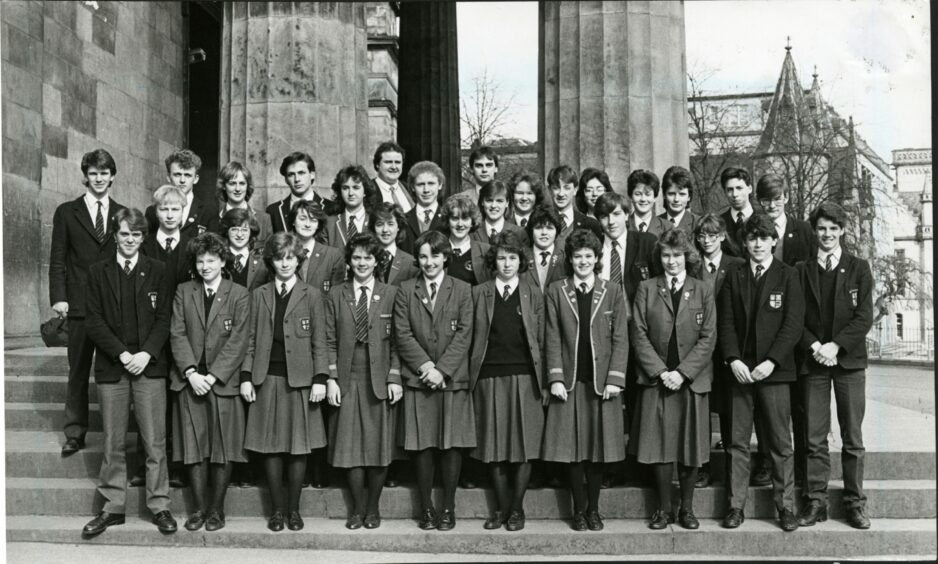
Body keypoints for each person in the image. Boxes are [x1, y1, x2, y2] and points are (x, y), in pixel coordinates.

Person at [81, 208, 177, 537]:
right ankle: (113, 506)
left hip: (148, 366)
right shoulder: (97, 272)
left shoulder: (159, 270)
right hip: (113, 365)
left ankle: (159, 503)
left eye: (137, 235)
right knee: (114, 441)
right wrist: (122, 353)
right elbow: (93, 320)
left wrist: (146, 352)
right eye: (125, 234)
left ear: (143, 237)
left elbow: (165, 318)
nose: (131, 240)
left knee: (154, 441)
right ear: (115, 235)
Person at [718, 213, 805, 532]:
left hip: (775, 373)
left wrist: (771, 361)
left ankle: (785, 507)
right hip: (740, 373)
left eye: (763, 238)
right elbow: (725, 323)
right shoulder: (734, 274)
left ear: (773, 241)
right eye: (752, 238)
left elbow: (793, 324)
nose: (757, 244)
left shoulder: (788, 275)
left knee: (781, 443)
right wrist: (733, 359)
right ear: (745, 242)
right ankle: (735, 506)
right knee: (738, 443)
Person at [240, 232, 329, 532]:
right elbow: (249, 340)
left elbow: (321, 340)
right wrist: (246, 378)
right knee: (271, 447)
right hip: (267, 379)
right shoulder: (259, 295)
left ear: (298, 260)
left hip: (301, 382)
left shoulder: (312, 295)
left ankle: (294, 509)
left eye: (290, 258)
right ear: (271, 261)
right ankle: (277, 510)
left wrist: (320, 379)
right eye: (279, 258)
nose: (285, 263)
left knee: (298, 448)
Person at [629, 228, 716, 530]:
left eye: (677, 255)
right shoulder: (647, 288)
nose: (671, 261)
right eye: (666, 255)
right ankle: (663, 509)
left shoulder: (702, 289)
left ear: (687, 256)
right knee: (661, 447)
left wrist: (682, 373)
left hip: (691, 382)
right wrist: (660, 371)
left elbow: (708, 337)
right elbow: (638, 333)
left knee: (690, 447)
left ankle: (687, 510)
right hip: (658, 380)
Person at [543, 229, 629, 532]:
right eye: (577, 256)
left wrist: (615, 379)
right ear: (570, 258)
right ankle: (577, 510)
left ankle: (594, 509)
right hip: (569, 382)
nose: (582, 261)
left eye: (588, 256)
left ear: (597, 260)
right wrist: (555, 377)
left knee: (597, 450)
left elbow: (621, 339)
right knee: (572, 450)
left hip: (601, 383)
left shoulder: (613, 291)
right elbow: (550, 337)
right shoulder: (556, 290)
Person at [796, 203, 873, 530]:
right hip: (814, 363)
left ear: (842, 230)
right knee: (814, 437)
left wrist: (836, 345)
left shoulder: (859, 268)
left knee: (852, 436)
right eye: (821, 229)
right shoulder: (801, 270)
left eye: (833, 228)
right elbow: (794, 318)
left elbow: (863, 318)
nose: (827, 235)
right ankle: (816, 501)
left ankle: (855, 503)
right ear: (815, 232)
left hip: (849, 363)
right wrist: (816, 346)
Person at [394, 230, 475, 531]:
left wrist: (442, 370)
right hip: (419, 380)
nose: (429, 262)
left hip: (451, 380)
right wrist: (426, 366)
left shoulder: (462, 289)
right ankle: (427, 508)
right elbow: (402, 334)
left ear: (445, 257)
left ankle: (448, 507)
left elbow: (465, 333)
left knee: (450, 445)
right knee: (423, 445)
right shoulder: (405, 289)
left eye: (435, 255)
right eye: (424, 256)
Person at [169, 232, 250, 532]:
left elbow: (239, 340)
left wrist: (213, 375)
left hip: (222, 383)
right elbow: (176, 333)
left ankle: (217, 509)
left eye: (211, 260)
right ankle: (198, 509)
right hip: (190, 381)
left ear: (223, 261)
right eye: (200, 261)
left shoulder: (239, 294)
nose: (205, 266)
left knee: (222, 448)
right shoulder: (183, 291)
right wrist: (191, 372)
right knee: (194, 448)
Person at [324, 233, 403, 530]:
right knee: (350, 445)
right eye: (356, 257)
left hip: (379, 378)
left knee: (378, 445)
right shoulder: (335, 294)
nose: (362, 263)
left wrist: (395, 377)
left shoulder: (392, 293)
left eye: (368, 258)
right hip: (347, 376)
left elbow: (399, 340)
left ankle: (373, 508)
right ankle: (356, 508)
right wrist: (331, 377)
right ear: (349, 260)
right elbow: (328, 339)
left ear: (376, 261)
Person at [50, 148, 126, 456]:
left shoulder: (121, 212)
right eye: (93, 173)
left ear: (112, 176)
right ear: (86, 176)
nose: (99, 178)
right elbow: (57, 259)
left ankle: (113, 433)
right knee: (78, 370)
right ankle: (75, 431)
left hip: (110, 305)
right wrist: (59, 298)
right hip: (78, 305)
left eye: (104, 173)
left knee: (110, 371)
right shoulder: (67, 212)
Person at [469, 231, 545, 532]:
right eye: (501, 258)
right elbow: (472, 337)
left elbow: (542, 338)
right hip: (489, 377)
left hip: (525, 377)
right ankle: (500, 508)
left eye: (512, 257)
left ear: (521, 261)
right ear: (493, 261)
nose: (507, 263)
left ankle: (517, 509)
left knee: (523, 447)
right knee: (494, 447)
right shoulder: (480, 293)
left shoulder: (533, 293)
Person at [755, 172, 817, 488]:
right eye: (765, 200)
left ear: (787, 199)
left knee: (801, 406)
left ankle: (804, 467)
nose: (770, 205)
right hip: (765, 331)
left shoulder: (804, 232)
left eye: (776, 199)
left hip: (798, 329)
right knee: (768, 406)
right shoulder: (754, 230)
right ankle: (767, 460)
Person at [137, 184, 195, 488]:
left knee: (179, 400)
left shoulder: (192, 245)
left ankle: (179, 465)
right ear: (155, 212)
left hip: (183, 332)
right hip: (151, 333)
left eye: (175, 209)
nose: (170, 215)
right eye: (164, 209)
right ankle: (141, 465)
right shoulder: (145, 245)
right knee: (148, 400)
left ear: (183, 211)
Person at [690, 214, 746, 488]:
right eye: (702, 236)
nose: (707, 241)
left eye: (712, 236)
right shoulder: (691, 266)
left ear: (722, 236)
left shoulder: (737, 266)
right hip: (699, 348)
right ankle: (702, 467)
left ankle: (730, 467)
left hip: (727, 348)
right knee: (701, 411)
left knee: (728, 411)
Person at [146, 149, 218, 238]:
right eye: (177, 175)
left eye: (187, 175)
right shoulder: (152, 211)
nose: (182, 180)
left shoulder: (208, 211)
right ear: (168, 177)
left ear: (196, 179)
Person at [267, 152, 335, 233]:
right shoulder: (274, 211)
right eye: (291, 174)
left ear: (312, 174)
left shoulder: (331, 208)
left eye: (301, 173)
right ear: (286, 179)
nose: (297, 179)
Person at [289, 200, 346, 297]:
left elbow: (336, 297)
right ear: (293, 221)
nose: (307, 224)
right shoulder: (283, 253)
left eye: (313, 220)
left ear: (319, 224)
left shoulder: (333, 255)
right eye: (302, 219)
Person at [216, 161, 273, 249]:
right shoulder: (214, 220)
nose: (238, 189)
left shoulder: (264, 219)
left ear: (247, 186)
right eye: (232, 183)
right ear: (224, 186)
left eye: (242, 183)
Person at [323, 165, 381, 252]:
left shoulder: (376, 221)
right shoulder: (329, 224)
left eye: (356, 188)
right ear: (340, 191)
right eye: (345, 188)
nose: (350, 193)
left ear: (365, 191)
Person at [440, 193, 492, 287]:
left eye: (465, 218)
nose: (460, 224)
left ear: (472, 221)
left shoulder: (486, 251)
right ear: (447, 221)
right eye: (455, 218)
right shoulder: (439, 249)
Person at [546, 165, 603, 246]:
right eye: (556, 188)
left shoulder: (591, 225)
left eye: (567, 188)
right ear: (549, 190)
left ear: (575, 190)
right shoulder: (540, 222)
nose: (561, 193)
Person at [401, 160, 447, 255]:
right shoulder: (402, 220)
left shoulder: (448, 218)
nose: (426, 190)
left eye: (431, 183)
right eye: (420, 184)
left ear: (440, 185)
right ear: (413, 187)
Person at [370, 202, 419, 286]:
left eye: (390, 224)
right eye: (379, 224)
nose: (385, 229)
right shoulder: (365, 259)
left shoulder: (411, 263)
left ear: (398, 227)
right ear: (373, 228)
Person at [221, 208, 270, 292]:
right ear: (226, 231)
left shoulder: (262, 261)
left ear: (251, 232)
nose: (239, 235)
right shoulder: (220, 259)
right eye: (234, 229)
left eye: (244, 230)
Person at [523, 205, 566, 292]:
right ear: (531, 230)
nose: (544, 233)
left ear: (556, 231)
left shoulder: (565, 257)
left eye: (549, 228)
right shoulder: (522, 256)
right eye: (538, 228)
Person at [471, 180, 528, 245]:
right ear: (482, 202)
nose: (493, 205)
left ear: (507, 203)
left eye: (499, 201)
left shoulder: (519, 234)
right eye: (489, 200)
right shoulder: (472, 232)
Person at [719, 167, 757, 251]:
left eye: (739, 188)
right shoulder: (719, 223)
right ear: (725, 192)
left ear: (749, 189)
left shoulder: (763, 217)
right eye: (730, 190)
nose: (735, 194)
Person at [373, 141, 415, 213]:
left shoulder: (410, 189)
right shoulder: (368, 190)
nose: (394, 167)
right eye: (388, 162)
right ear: (377, 164)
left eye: (397, 162)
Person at [626, 169, 669, 236]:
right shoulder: (622, 226)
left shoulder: (667, 228)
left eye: (648, 194)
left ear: (655, 197)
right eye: (638, 194)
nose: (643, 199)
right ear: (631, 197)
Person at [658, 165, 699, 234]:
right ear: (664, 195)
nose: (676, 199)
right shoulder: (654, 223)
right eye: (671, 194)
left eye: (682, 194)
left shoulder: (698, 224)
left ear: (689, 197)